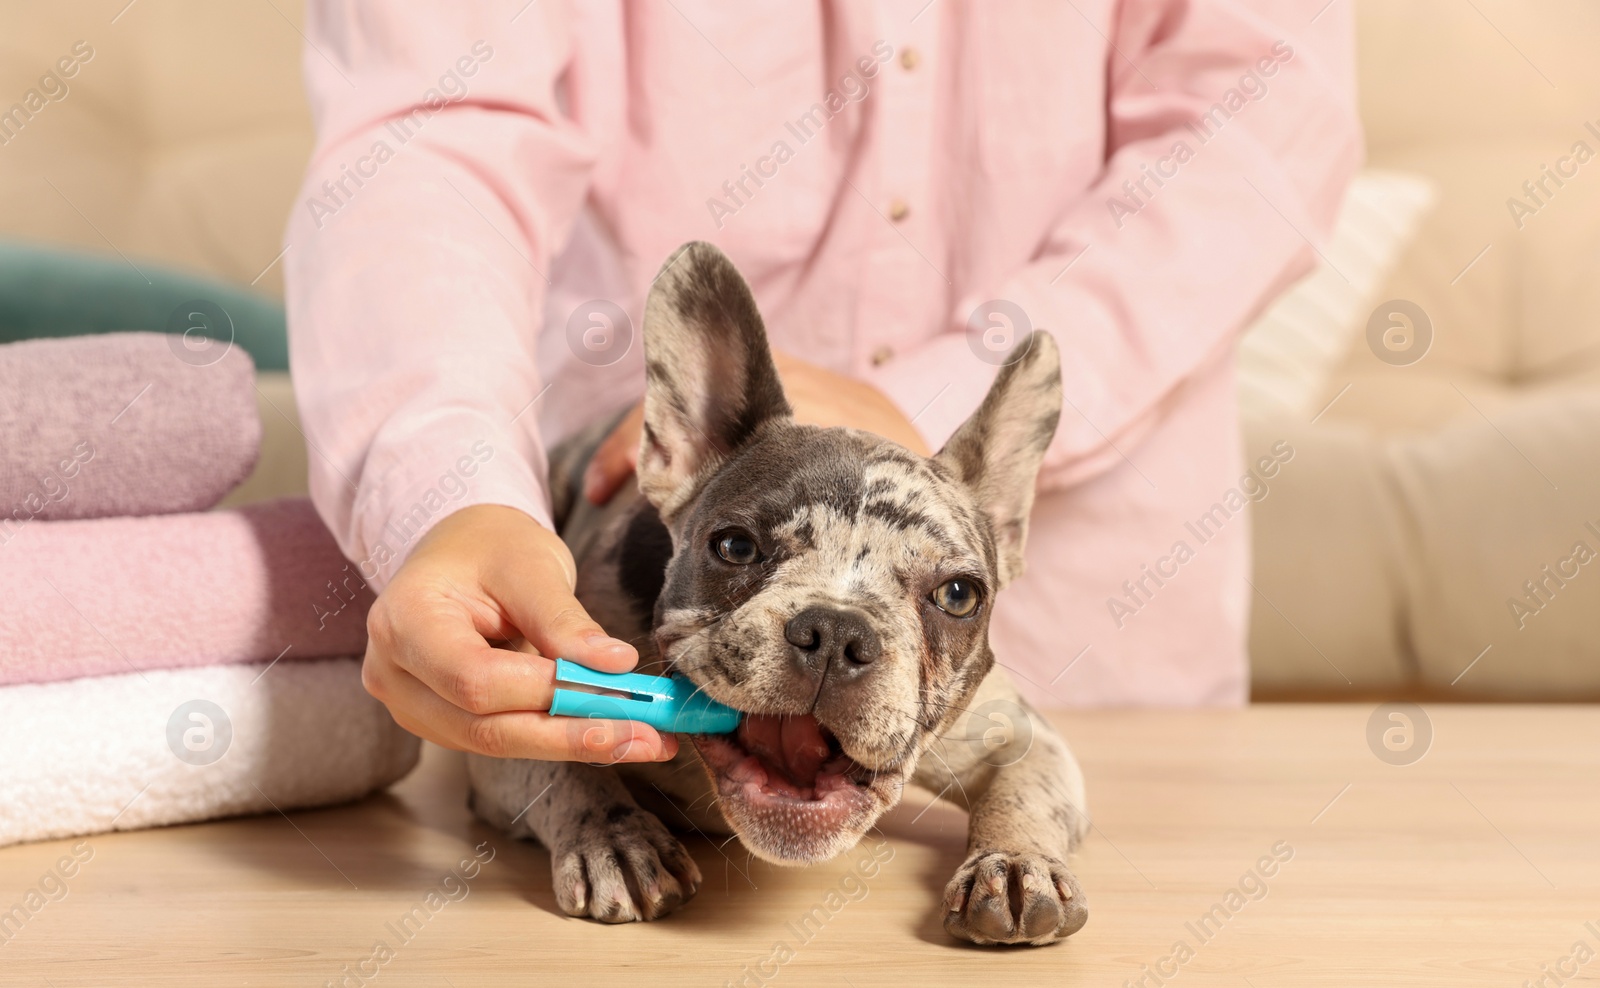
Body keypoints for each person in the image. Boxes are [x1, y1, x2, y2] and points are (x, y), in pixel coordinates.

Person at [285, 2, 1360, 764]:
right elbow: (430, 131)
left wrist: (921, 415)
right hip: (619, 649)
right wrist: (449, 493)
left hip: (1100, 651)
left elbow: (1264, 112)